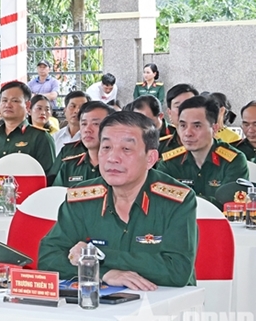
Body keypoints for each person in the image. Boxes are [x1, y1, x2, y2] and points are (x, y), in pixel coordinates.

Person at [38, 111, 197, 289]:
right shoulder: (81, 197)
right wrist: (103, 273)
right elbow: (48, 258)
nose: (113, 158)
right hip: (100, 303)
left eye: (126, 149)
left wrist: (96, 255)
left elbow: (177, 270)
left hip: (164, 301)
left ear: (150, 158)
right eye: (106, 147)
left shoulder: (176, 200)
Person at [157, 96, 248, 205]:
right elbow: (162, 202)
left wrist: (183, 199)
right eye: (183, 125)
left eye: (197, 126)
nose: (188, 133)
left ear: (214, 129)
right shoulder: (169, 162)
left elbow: (229, 204)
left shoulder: (233, 161)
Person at [0, 81, 55, 174]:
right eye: (4, 100)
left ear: (27, 105)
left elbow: (49, 176)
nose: (8, 105)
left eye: (15, 101)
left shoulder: (41, 138)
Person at [52, 102, 115, 187]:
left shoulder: (120, 165)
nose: (87, 129)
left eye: (96, 124)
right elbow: (56, 193)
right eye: (84, 124)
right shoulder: (69, 166)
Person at [53, 91, 90, 155]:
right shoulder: (55, 137)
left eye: (82, 108)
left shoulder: (92, 138)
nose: (77, 111)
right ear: (65, 110)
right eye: (73, 106)